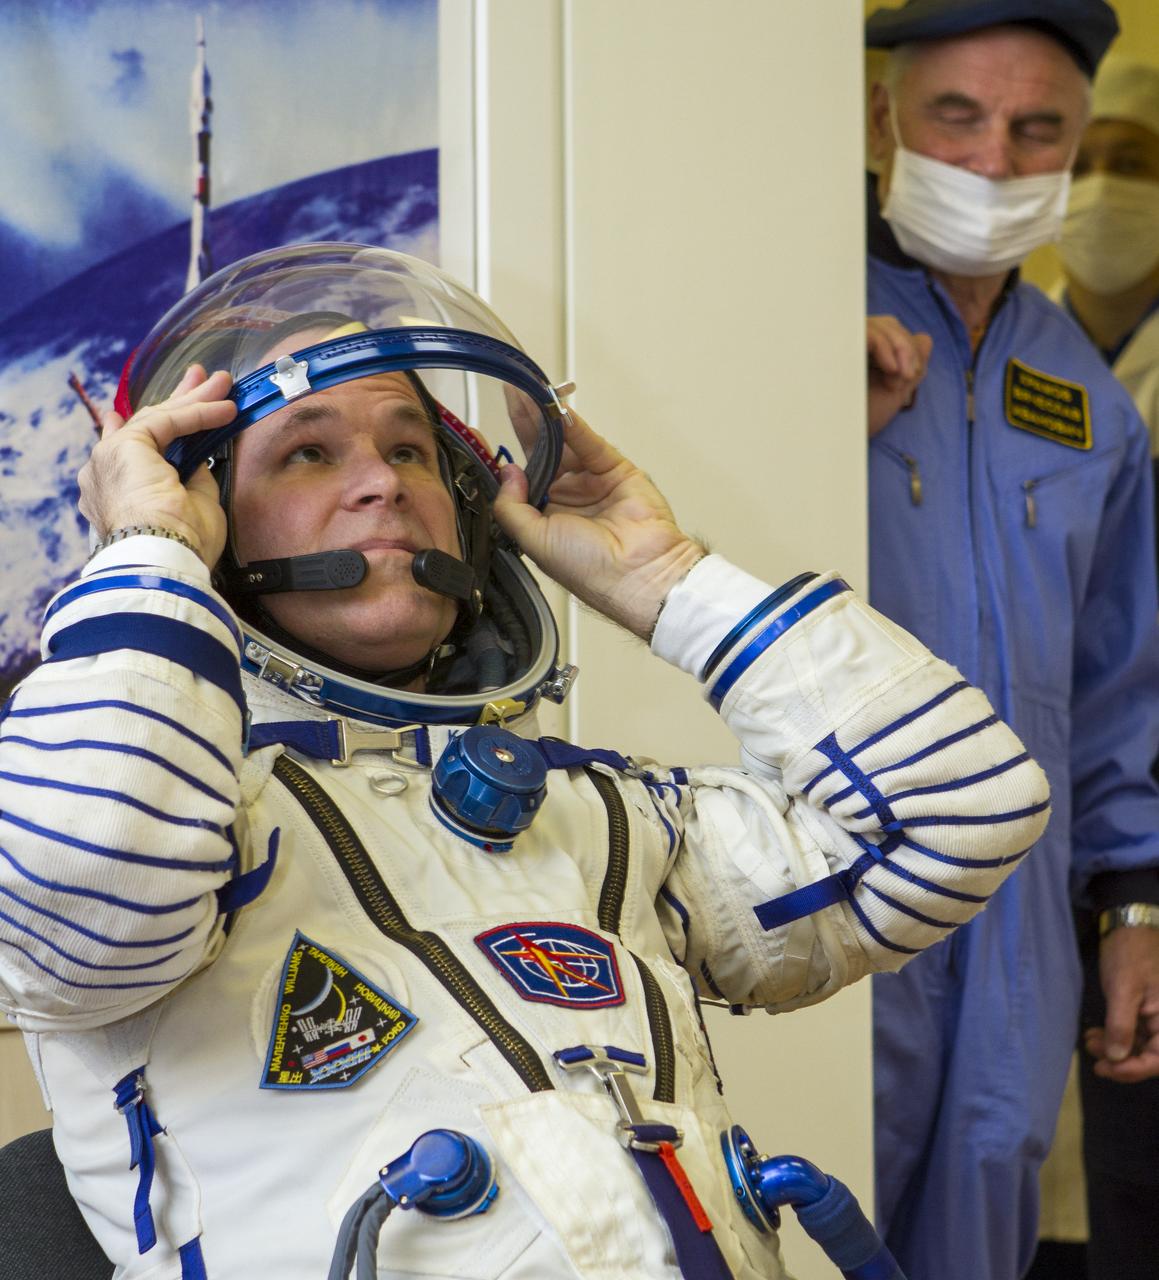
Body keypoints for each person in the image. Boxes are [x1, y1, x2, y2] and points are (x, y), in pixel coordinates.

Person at [0, 242, 1051, 1280]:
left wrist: (668, 579)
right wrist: (145, 546)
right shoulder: (176, 818)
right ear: (211, 517)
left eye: (412, 450)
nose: (382, 483)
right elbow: (85, 875)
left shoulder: (591, 815)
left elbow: (960, 807)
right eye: (309, 452)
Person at [863, 4, 1159, 1280]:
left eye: (1038, 128)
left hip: (1022, 914)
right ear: (885, 123)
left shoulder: (1085, 397)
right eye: (957, 117)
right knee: (806, 1189)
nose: (994, 161)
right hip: (830, 869)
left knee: (988, 1201)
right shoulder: (787, 326)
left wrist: (1135, 904)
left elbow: (1118, 684)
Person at [1047, 57, 1159, 1280]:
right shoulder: (993, 364)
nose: (1097, 192)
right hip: (1050, 844)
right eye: (1085, 163)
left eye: (1132, 162)